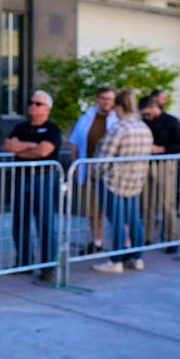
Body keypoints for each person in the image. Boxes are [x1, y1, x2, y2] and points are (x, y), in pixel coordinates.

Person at [91, 88, 154, 273]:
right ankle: (137, 257)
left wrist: (96, 172)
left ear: (119, 106)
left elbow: (104, 157)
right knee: (134, 219)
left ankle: (116, 261)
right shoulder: (143, 127)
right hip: (136, 180)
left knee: (117, 221)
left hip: (115, 182)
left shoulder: (119, 128)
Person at [2, 90, 61, 282]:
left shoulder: (52, 129)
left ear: (47, 109)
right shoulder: (20, 127)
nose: (32, 106)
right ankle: (24, 261)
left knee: (45, 222)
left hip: (44, 177)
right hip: (22, 177)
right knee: (20, 221)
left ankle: (48, 266)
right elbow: (8, 146)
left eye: (38, 103)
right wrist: (32, 147)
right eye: (31, 102)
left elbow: (44, 151)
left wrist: (23, 147)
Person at [67, 85, 117, 253]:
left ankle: (120, 243)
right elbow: (74, 144)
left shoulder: (116, 120)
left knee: (109, 209)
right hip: (87, 170)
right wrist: (75, 166)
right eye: (103, 99)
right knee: (91, 209)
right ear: (97, 100)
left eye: (110, 99)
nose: (106, 102)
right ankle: (96, 241)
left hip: (109, 172)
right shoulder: (85, 118)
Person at [139, 95, 180, 254]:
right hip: (146, 164)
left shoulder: (171, 121)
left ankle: (172, 238)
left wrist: (161, 149)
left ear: (154, 108)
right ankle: (146, 237)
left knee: (166, 203)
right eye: (143, 115)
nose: (146, 117)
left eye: (148, 114)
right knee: (146, 203)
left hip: (165, 164)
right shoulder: (143, 123)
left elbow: (179, 145)